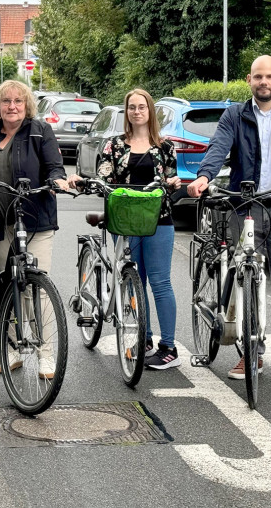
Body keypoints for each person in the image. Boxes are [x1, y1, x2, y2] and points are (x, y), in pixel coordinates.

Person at [187, 54, 271, 383]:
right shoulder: (235, 114)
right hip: (244, 209)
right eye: (258, 76)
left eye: (270, 76)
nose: (264, 82)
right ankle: (251, 354)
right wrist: (204, 176)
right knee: (247, 281)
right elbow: (218, 146)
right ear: (249, 79)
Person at [70, 88, 182, 369]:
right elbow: (104, 174)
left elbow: (171, 179)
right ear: (127, 112)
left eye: (141, 107)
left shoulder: (165, 146)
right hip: (124, 220)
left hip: (158, 219)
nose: (136, 111)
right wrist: (86, 182)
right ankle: (144, 338)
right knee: (135, 279)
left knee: (160, 282)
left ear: (150, 111)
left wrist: (175, 183)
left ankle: (168, 347)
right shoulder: (114, 145)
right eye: (131, 107)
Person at [0, 79, 69, 379]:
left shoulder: (40, 131)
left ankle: (46, 354)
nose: (12, 106)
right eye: (6, 101)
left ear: (27, 105)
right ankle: (12, 349)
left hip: (35, 220)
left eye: (18, 101)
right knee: (9, 285)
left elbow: (54, 167)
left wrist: (57, 181)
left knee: (36, 287)